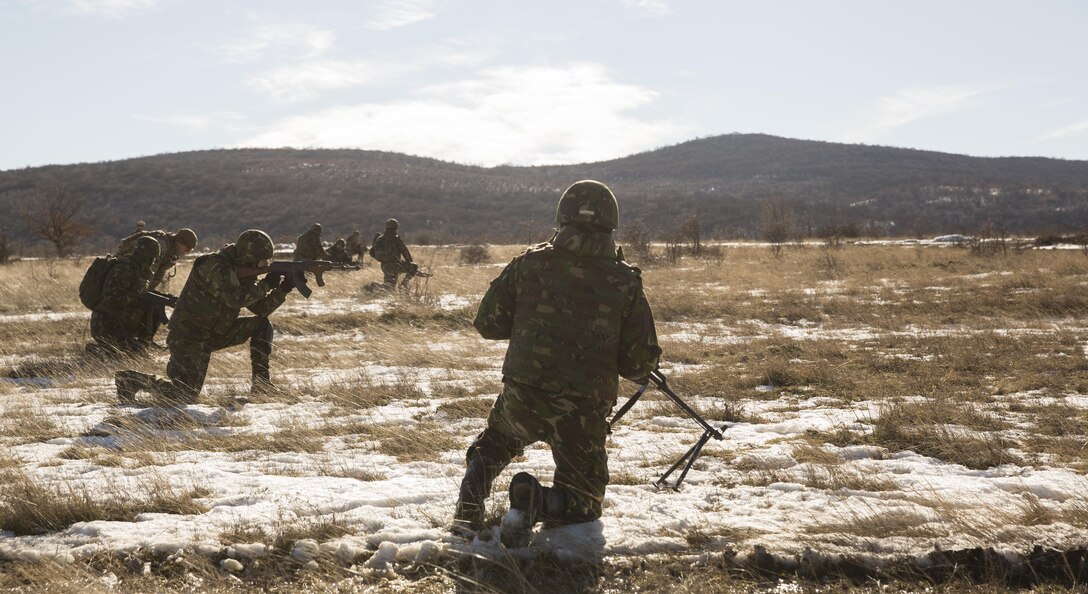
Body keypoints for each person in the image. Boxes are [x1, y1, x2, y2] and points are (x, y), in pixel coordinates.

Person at [452, 180, 661, 548]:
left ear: (562, 217)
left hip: (522, 397)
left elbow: (487, 323)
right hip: (581, 412)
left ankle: (467, 510)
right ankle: (537, 501)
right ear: (611, 224)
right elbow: (638, 365)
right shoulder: (625, 281)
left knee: (495, 444)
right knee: (584, 503)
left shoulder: (529, 263)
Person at [115, 230, 295, 406]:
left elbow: (260, 309)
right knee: (183, 395)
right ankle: (130, 379)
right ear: (248, 256)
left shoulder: (239, 269)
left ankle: (261, 384)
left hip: (215, 333)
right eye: (261, 261)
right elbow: (234, 299)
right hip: (188, 337)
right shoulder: (214, 265)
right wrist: (265, 285)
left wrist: (283, 289)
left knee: (261, 325)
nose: (264, 264)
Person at [87, 236, 161, 358]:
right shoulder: (124, 268)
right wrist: (137, 298)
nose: (152, 262)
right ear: (144, 255)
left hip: (120, 323)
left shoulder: (139, 270)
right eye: (151, 258)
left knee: (154, 307)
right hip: (106, 325)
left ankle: (143, 341)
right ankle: (97, 351)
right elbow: (112, 299)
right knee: (131, 354)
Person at [118, 227, 198, 290]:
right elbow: (146, 279)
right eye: (187, 249)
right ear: (179, 242)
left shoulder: (170, 251)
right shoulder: (161, 247)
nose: (187, 253)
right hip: (122, 275)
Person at [369, 219, 416, 287]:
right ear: (396, 228)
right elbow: (405, 252)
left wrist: (383, 259)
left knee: (389, 287)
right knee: (414, 266)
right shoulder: (396, 239)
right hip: (396, 265)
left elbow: (372, 252)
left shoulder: (380, 239)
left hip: (385, 266)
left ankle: (373, 285)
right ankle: (403, 285)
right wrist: (409, 264)